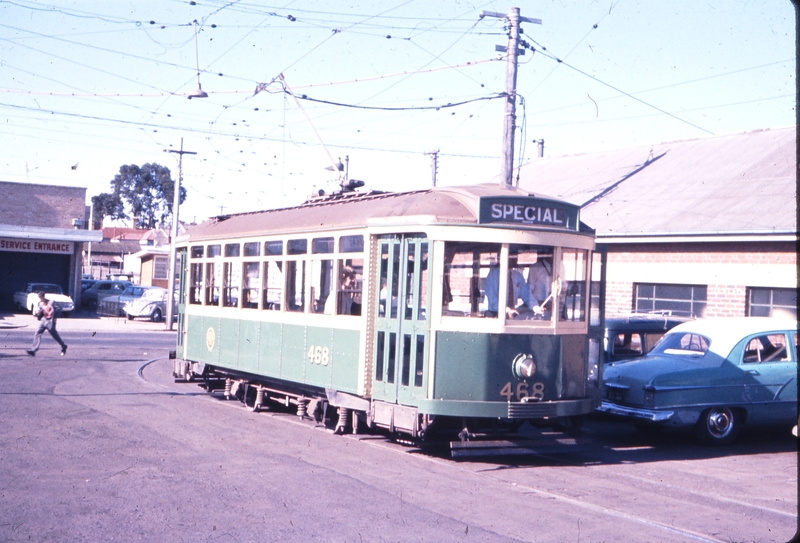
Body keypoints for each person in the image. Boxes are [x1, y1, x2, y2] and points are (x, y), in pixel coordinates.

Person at [27, 291, 68, 356]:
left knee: (55, 336)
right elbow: (41, 311)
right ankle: (34, 349)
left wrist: (55, 317)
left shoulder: (51, 302)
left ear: (44, 296)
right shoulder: (40, 303)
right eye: (39, 298)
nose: (40, 299)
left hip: (50, 321)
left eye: (41, 298)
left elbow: (59, 309)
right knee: (37, 333)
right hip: (43, 320)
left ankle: (63, 345)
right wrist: (38, 313)